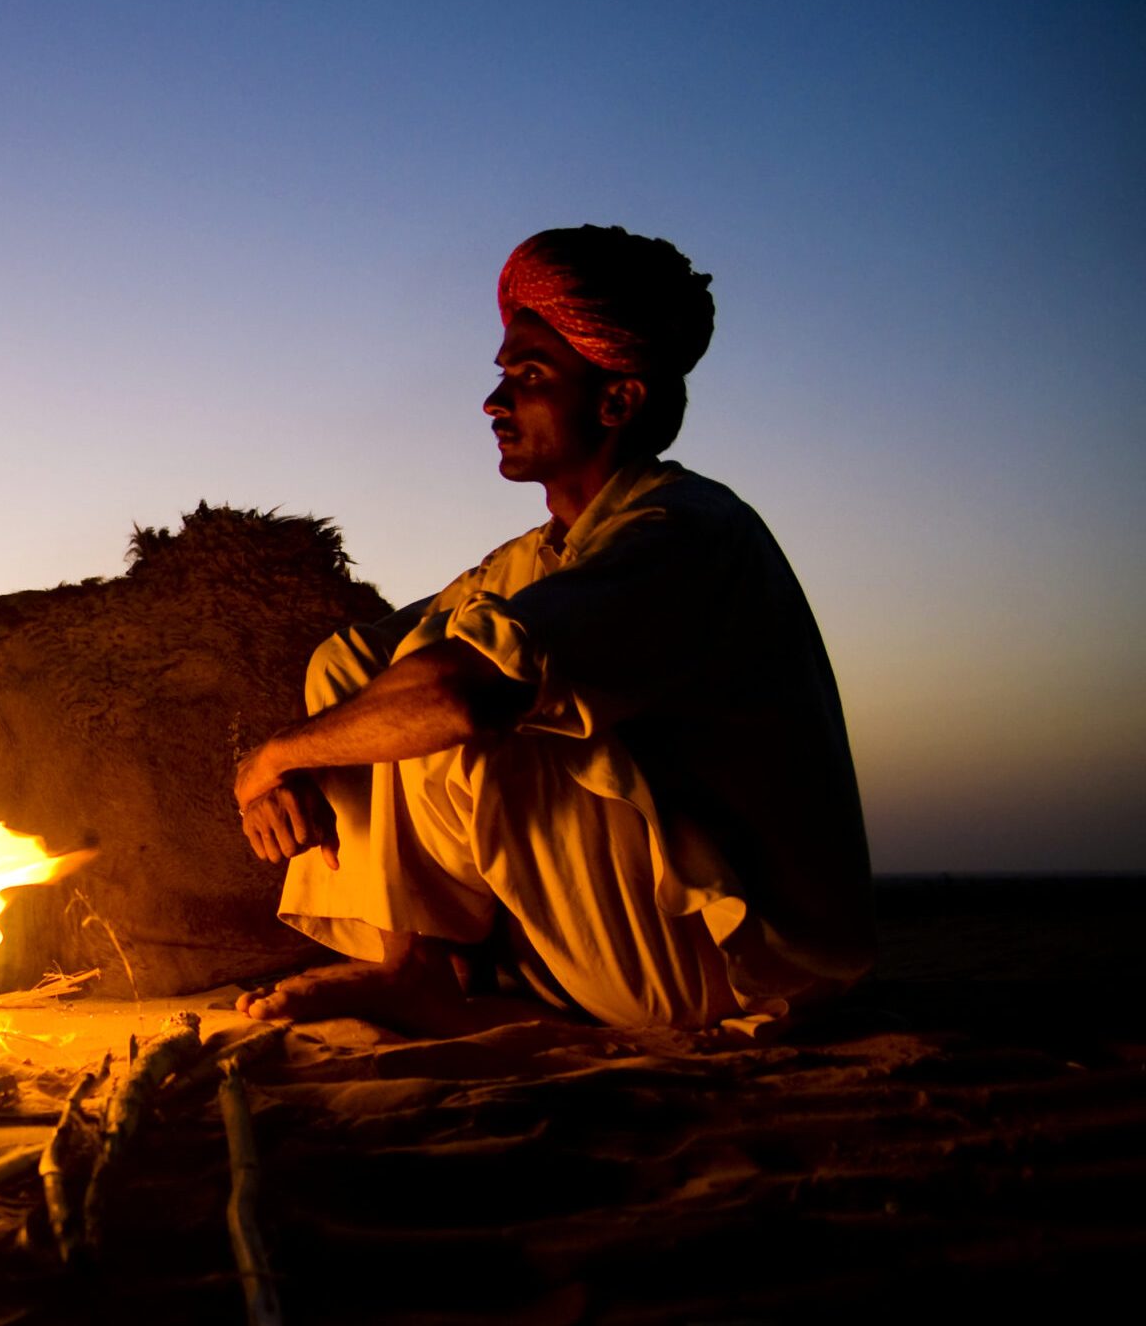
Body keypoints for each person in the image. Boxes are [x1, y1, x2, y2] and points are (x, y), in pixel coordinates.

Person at [232, 227, 871, 1035]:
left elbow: (464, 692)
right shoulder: (541, 556)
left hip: (726, 968)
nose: (495, 404)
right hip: (609, 943)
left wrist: (274, 758)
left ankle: (420, 971)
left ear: (618, 400)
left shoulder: (684, 532)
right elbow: (358, 660)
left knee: (454, 696)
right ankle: (414, 964)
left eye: (529, 378)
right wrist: (302, 748)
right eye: (502, 377)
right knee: (357, 665)